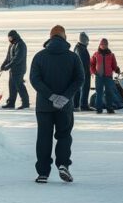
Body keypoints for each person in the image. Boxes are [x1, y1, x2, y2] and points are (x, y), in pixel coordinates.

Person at [29, 25, 83, 184]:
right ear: (64, 37)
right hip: (65, 107)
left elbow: (35, 79)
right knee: (64, 135)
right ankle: (63, 164)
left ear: (50, 37)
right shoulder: (73, 57)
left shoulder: (39, 56)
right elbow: (80, 79)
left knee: (44, 138)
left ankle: (43, 173)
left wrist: (50, 96)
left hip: (44, 107)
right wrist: (65, 97)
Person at [90, 38, 123, 114]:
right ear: (100, 45)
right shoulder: (96, 54)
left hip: (108, 77)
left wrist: (117, 69)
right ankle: (99, 109)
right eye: (102, 44)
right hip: (99, 77)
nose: (104, 46)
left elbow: (114, 65)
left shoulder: (111, 55)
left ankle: (109, 108)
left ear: (107, 45)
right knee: (99, 93)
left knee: (109, 93)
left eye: (105, 44)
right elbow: (91, 64)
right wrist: (94, 72)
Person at [0, 30, 29, 109]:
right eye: (8, 37)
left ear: (14, 36)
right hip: (12, 69)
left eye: (10, 37)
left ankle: (25, 103)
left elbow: (17, 58)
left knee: (19, 85)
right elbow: (8, 57)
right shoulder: (11, 45)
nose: (9, 39)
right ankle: (11, 103)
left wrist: (8, 66)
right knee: (12, 86)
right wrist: (3, 65)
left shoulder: (21, 45)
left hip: (19, 69)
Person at [72, 32, 92, 111]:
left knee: (78, 89)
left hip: (78, 72)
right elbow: (83, 62)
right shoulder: (81, 49)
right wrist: (85, 72)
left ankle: (76, 104)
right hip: (83, 72)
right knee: (84, 88)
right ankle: (83, 105)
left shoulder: (77, 47)